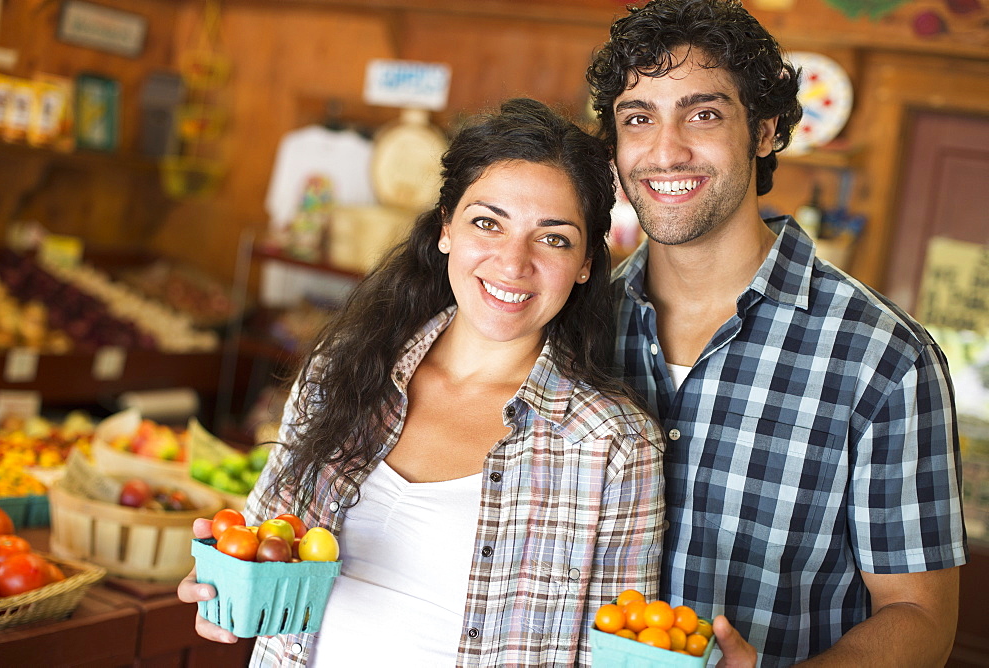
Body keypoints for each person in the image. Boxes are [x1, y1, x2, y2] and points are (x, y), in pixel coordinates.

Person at [178, 98, 666, 667]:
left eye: (553, 238)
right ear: (445, 230)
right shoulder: (343, 370)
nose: (513, 262)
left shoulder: (614, 445)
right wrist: (223, 578)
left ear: (585, 263)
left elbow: (618, 650)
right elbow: (264, 545)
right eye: (488, 223)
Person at [586, 1, 967, 666]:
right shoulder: (578, 326)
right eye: (639, 118)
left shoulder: (884, 359)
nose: (666, 150)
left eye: (704, 114)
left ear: (763, 131)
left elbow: (919, 616)